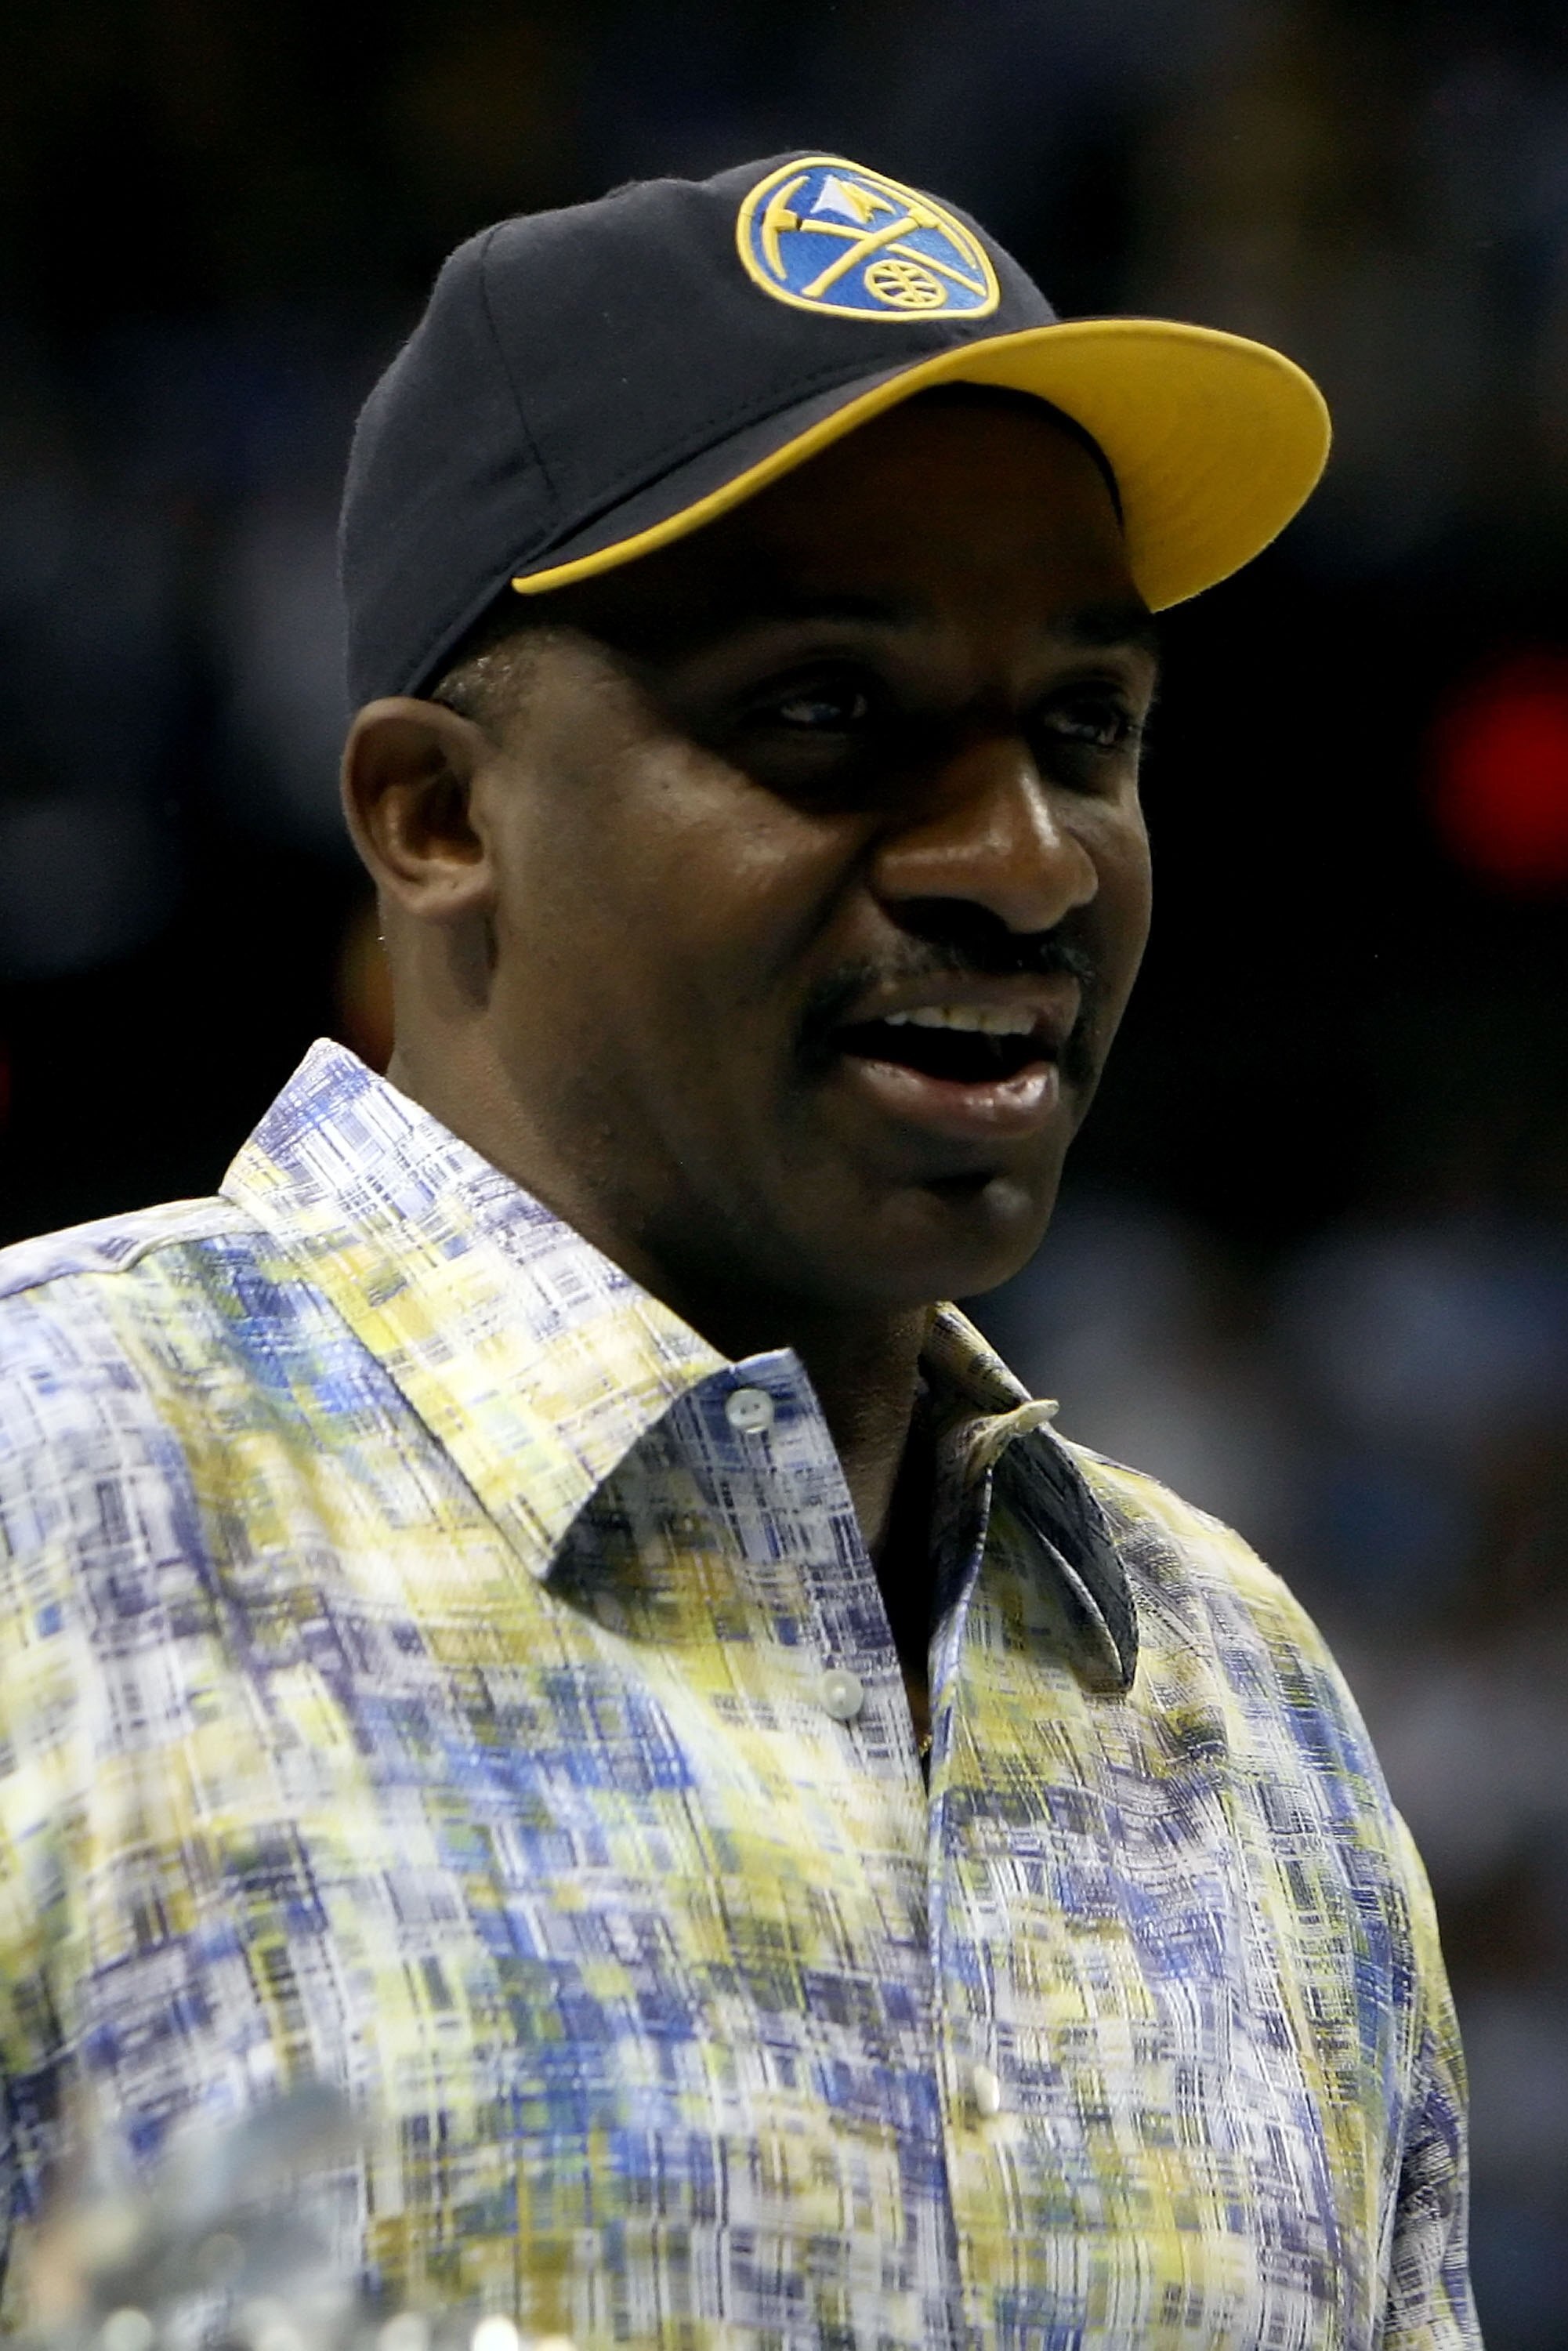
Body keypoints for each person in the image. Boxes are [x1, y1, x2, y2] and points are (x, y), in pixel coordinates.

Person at [0, 154, 1476, 2348]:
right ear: (434, 812)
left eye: (1084, 728)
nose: (1023, 862)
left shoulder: (1224, 1696)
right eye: (825, 716)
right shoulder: (45, 1494)